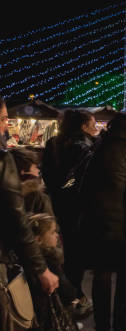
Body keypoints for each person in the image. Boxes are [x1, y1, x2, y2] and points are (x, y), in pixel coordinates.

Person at [79, 113, 126, 331]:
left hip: (96, 219)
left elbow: (85, 184)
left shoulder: (99, 146)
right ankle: (119, 319)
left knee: (102, 272)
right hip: (123, 221)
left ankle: (102, 324)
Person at [0, 96, 59, 311]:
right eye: (4, 119)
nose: (6, 125)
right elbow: (16, 220)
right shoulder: (3, 160)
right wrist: (41, 269)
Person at [41, 109, 98, 313]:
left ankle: (65, 293)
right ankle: (72, 295)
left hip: (56, 205)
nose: (96, 128)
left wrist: (59, 190)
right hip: (79, 209)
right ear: (83, 127)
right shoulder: (87, 148)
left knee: (59, 252)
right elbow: (85, 181)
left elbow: (47, 175)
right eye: (93, 124)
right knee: (76, 255)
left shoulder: (52, 144)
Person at [27, 213, 79, 331]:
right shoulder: (50, 260)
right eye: (52, 232)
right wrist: (74, 297)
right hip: (49, 318)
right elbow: (67, 292)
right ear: (39, 239)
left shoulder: (28, 260)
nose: (57, 235)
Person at [9, 148, 54, 215]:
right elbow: (50, 224)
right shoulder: (39, 198)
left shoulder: (5, 194)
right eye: (35, 167)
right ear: (23, 171)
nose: (38, 171)